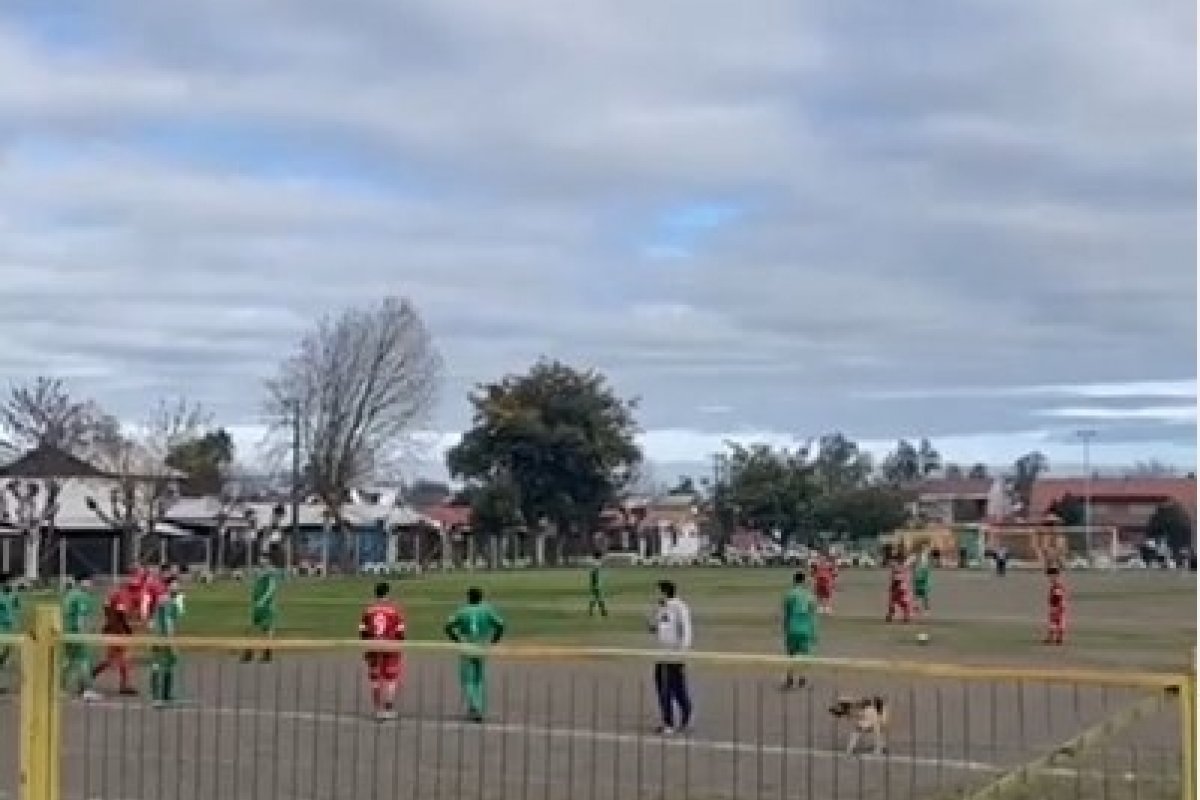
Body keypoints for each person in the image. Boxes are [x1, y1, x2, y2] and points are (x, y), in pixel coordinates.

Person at [444, 586, 505, 723]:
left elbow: (448, 626)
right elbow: (500, 625)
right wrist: (495, 639)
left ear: (468, 597)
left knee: (467, 680)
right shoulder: (487, 609)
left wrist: (456, 638)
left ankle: (475, 707)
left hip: (467, 646)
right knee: (479, 678)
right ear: (481, 597)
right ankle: (478, 707)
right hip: (482, 646)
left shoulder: (462, 611)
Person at [649, 579, 693, 735]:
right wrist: (653, 623)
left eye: (658, 590)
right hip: (661, 655)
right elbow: (658, 627)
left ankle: (686, 715)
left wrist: (681, 653)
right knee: (663, 689)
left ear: (664, 591)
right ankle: (667, 722)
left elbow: (686, 631)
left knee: (676, 689)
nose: (655, 594)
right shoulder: (662, 607)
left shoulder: (680, 607)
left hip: (674, 656)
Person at [360, 582, 406, 720]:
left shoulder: (368, 610)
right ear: (387, 593)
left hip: (373, 646)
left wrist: (367, 646)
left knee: (375, 678)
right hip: (390, 646)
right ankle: (389, 707)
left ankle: (377, 710)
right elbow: (401, 632)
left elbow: (362, 631)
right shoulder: (394, 610)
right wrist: (398, 645)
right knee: (391, 678)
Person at [92, 580, 138, 695]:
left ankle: (123, 684)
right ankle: (90, 675)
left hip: (113, 630)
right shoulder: (124, 596)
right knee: (118, 658)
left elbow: (107, 607)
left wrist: (109, 622)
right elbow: (121, 612)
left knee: (117, 658)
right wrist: (127, 628)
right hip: (118, 631)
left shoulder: (114, 595)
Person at [62, 573, 102, 701]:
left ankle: (60, 687)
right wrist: (83, 633)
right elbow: (81, 616)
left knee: (69, 660)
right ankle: (86, 689)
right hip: (77, 633)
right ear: (81, 582)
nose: (91, 585)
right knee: (84, 660)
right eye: (88, 581)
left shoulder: (69, 595)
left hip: (67, 632)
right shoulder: (82, 596)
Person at [242, 553, 283, 663]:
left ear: (268, 560)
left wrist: (263, 600)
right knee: (250, 628)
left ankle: (267, 652)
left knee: (267, 629)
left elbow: (271, 588)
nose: (261, 561)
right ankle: (248, 651)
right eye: (260, 559)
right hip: (256, 605)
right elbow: (255, 586)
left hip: (266, 605)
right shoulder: (259, 571)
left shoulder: (271, 572)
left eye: (263, 559)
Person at [150, 578, 184, 708]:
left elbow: (156, 621)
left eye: (178, 585)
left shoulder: (169, 601)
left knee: (167, 666)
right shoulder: (166, 601)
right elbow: (168, 624)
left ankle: (165, 695)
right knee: (159, 666)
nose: (177, 587)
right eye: (175, 585)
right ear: (168, 587)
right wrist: (172, 643)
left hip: (162, 638)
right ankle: (157, 697)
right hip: (162, 639)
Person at [781, 571, 817, 690]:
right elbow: (812, 616)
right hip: (805, 628)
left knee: (791, 655)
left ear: (794, 580)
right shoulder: (810, 596)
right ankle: (802, 677)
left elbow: (786, 614)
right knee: (804, 655)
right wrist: (814, 632)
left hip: (793, 627)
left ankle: (790, 677)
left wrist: (785, 628)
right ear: (804, 581)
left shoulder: (789, 595)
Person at [0, 573, 19, 691]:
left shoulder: (10, 596)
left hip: (9, 629)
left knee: (4, 659)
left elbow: (14, 609)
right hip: (1, 628)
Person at [1044, 567, 1068, 645]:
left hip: (1057, 606)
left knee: (1054, 621)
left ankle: (1054, 638)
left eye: (1050, 576)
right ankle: (1058, 638)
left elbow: (1058, 596)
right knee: (1058, 621)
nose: (1049, 578)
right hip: (1060, 605)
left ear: (1055, 575)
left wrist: (1056, 606)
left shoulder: (1057, 585)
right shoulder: (1057, 584)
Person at [587, 552, 608, 617]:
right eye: (601, 556)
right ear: (599, 557)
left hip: (594, 584)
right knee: (600, 597)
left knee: (594, 597)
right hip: (597, 584)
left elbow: (592, 574)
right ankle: (603, 611)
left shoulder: (594, 563)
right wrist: (596, 584)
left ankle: (592, 611)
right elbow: (595, 574)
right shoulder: (597, 564)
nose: (602, 557)